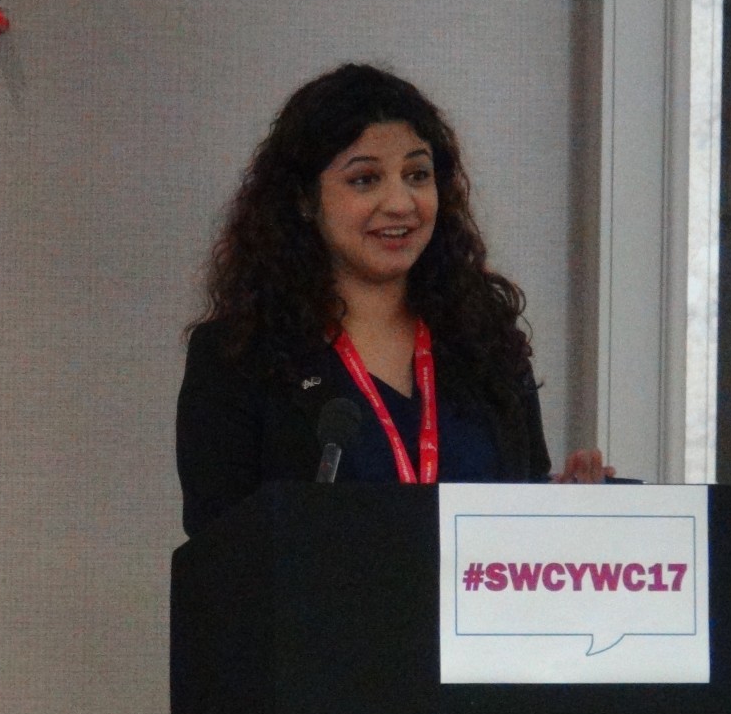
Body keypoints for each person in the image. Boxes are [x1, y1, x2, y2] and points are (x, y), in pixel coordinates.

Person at [176, 62, 612, 534]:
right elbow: (218, 552)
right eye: (365, 179)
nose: (401, 203)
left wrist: (565, 507)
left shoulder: (485, 340)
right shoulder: (238, 356)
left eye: (417, 175)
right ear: (304, 199)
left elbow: (519, 520)